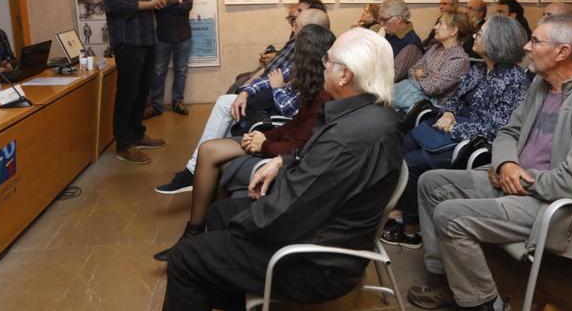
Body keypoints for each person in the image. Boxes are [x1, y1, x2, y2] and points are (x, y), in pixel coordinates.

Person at [162, 28, 403, 311]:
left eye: (329, 60)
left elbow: (289, 209)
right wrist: (283, 162)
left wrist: (244, 225)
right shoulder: (372, 115)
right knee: (218, 213)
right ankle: (235, 296)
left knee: (186, 258)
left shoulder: (348, 136)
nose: (323, 64)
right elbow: (318, 169)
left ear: (345, 75)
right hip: (328, 233)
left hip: (316, 264)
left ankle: (220, 279)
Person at [408, 14, 572, 311]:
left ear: (562, 52)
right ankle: (448, 280)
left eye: (536, 41)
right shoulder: (542, 84)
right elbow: (507, 132)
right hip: (515, 183)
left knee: (451, 216)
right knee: (431, 182)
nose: (526, 46)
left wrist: (520, 178)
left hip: (551, 204)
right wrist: (505, 166)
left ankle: (485, 304)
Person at [153, 24, 336, 261]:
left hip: (286, 163)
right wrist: (263, 138)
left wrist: (264, 145)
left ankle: (198, 235)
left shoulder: (324, 94)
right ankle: (201, 236)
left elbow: (300, 145)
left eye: (297, 53)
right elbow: (292, 127)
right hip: (277, 145)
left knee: (214, 160)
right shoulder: (314, 86)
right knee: (210, 150)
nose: (292, 59)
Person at [383, 15, 530, 249]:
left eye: (480, 34)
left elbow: (499, 127)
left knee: (411, 163)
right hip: (451, 127)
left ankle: (412, 230)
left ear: (497, 41)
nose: (474, 36)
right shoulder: (478, 69)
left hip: (474, 142)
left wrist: (455, 126)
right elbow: (453, 99)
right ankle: (401, 211)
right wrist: (449, 113)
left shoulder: (515, 81)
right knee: (401, 144)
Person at [157, 9, 330, 194]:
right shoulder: (303, 56)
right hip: (279, 124)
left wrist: (265, 138)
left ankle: (193, 171)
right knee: (231, 103)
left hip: (280, 122)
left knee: (226, 105)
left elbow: (292, 115)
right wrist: (246, 91)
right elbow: (272, 76)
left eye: (297, 26)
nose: (293, 29)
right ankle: (195, 170)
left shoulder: (319, 74)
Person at [99, 0, 169, 165]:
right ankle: (124, 144)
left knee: (142, 92)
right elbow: (114, 5)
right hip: (128, 41)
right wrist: (148, 3)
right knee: (127, 93)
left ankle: (137, 134)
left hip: (147, 37)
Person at [393, 11, 471, 111]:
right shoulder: (435, 48)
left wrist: (422, 73)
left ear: (453, 31)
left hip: (429, 108)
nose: (435, 27)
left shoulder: (459, 59)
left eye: (440, 23)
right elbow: (412, 69)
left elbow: (432, 88)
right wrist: (428, 75)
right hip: (411, 98)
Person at [147, 0, 194, 117]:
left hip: (183, 36)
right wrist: (176, 1)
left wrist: (164, 0)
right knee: (158, 72)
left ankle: (177, 102)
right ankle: (156, 106)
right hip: (161, 36)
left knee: (180, 70)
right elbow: (153, 5)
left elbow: (187, 6)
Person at [379, 0, 423, 82]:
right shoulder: (390, 33)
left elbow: (393, 76)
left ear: (398, 19)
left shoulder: (411, 44)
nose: (381, 23)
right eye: (380, 19)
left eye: (385, 20)